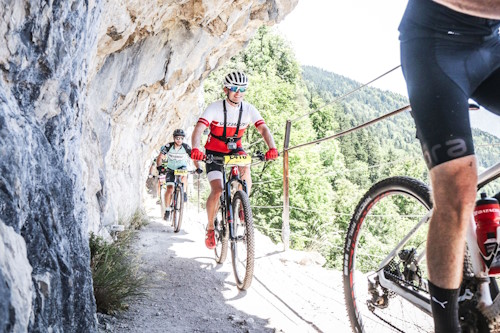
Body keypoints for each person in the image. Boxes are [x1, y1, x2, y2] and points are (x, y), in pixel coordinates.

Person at [398, 1, 500, 331]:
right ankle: (445, 326)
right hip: (434, 45)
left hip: (491, 45)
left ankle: (492, 220)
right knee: (457, 193)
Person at [190, 71, 279, 249]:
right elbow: (199, 129)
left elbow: (264, 129)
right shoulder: (215, 108)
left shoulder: (248, 109)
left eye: (242, 89)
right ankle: (209, 227)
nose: (238, 92)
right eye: (234, 88)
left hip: (235, 151)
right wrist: (196, 149)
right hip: (214, 152)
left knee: (246, 173)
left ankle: (241, 206)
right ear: (226, 89)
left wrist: (272, 147)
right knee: (217, 191)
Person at [157, 129, 202, 220]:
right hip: (170, 169)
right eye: (177, 138)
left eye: (181, 138)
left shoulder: (186, 147)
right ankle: (167, 209)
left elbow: (193, 159)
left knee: (184, 175)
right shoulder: (168, 146)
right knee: (170, 189)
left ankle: (183, 192)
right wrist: (159, 167)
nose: (179, 140)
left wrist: (198, 167)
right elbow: (160, 157)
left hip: (181, 167)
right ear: (174, 138)